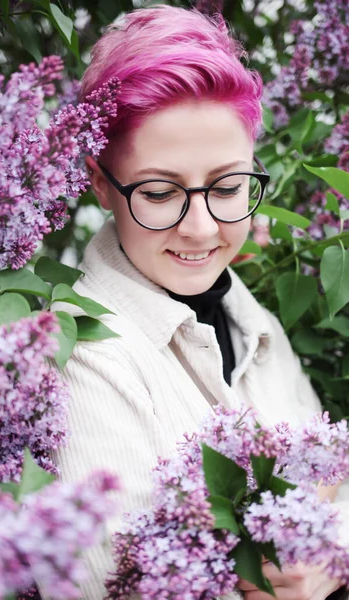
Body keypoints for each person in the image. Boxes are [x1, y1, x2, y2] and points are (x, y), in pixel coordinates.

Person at [52, 5, 349, 599]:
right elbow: (114, 585)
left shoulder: (254, 322)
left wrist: (329, 555)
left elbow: (337, 486)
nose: (202, 227)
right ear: (101, 183)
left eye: (227, 185)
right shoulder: (81, 361)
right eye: (160, 191)